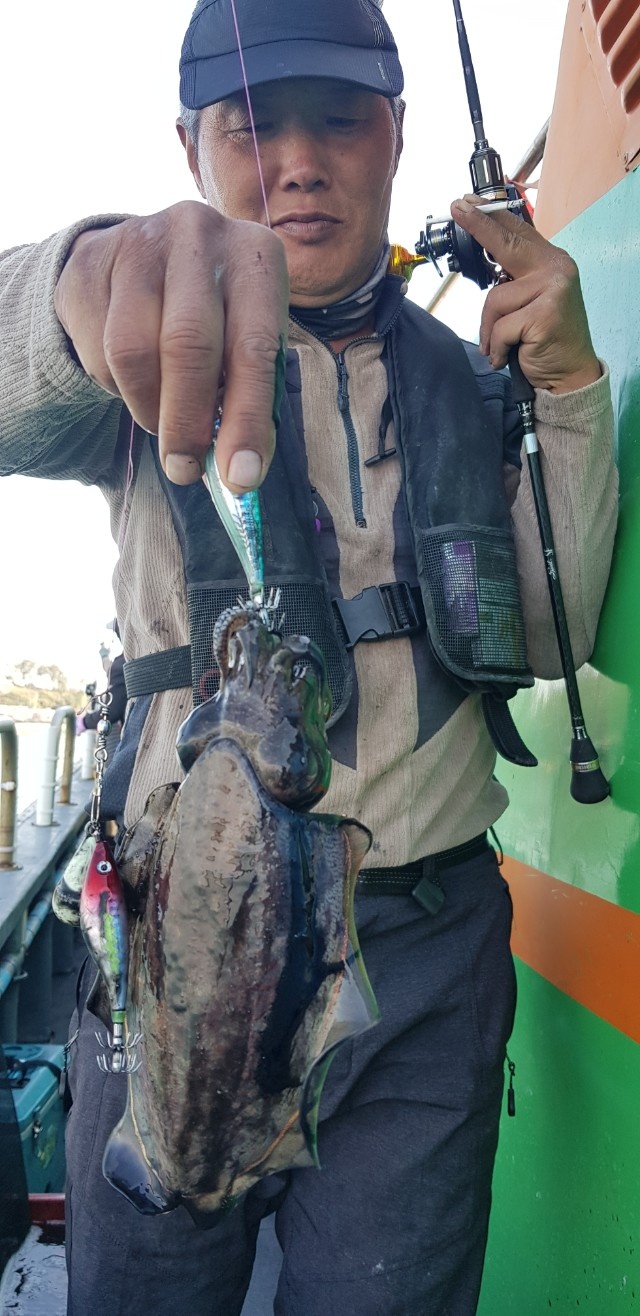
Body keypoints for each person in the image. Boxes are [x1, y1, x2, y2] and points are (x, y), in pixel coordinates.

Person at [0, 1, 617, 1313]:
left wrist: (566, 392)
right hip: (177, 938)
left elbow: (549, 628)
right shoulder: (130, 361)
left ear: (395, 136)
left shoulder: (477, 377)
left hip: (426, 958)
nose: (297, 162)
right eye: (250, 127)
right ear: (188, 149)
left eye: (340, 120)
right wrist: (74, 280)